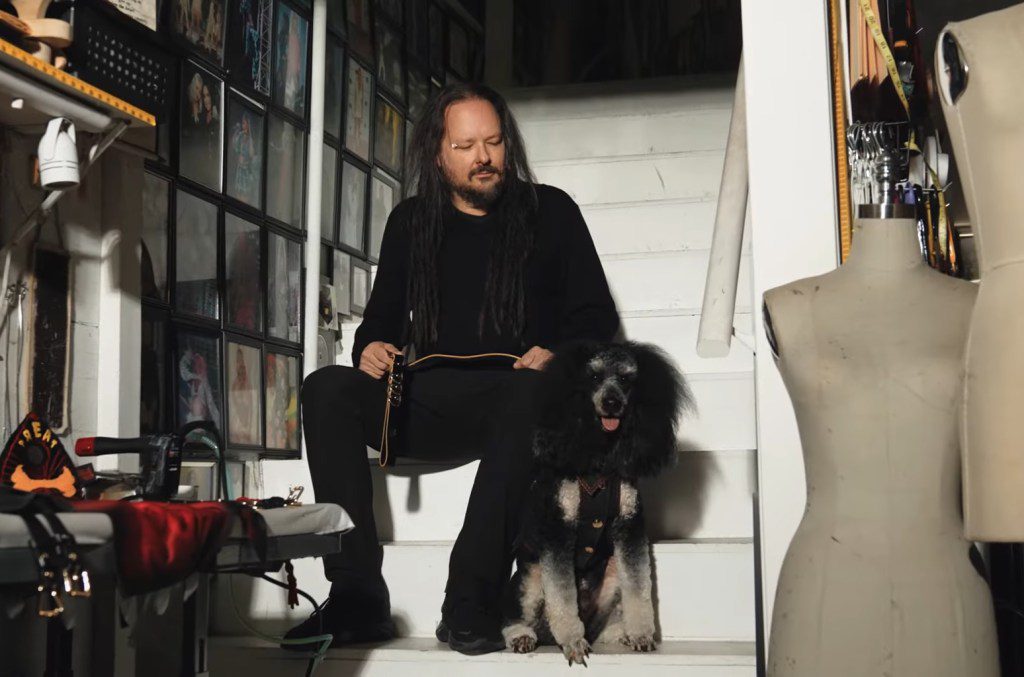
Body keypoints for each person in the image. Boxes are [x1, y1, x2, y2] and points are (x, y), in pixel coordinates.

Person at [286, 82, 618, 655]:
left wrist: (559, 353)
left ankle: (470, 600)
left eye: (493, 142)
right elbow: (380, 324)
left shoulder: (552, 211)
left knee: (531, 394)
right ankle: (357, 595)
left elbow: (597, 317)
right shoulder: (412, 221)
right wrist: (373, 347)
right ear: (438, 155)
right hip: (431, 400)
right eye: (465, 146)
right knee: (325, 388)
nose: (483, 157)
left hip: (521, 397)